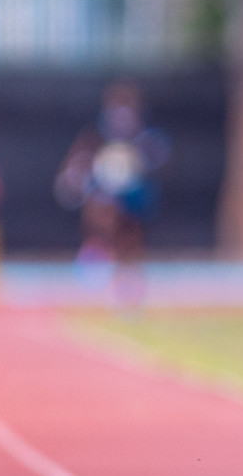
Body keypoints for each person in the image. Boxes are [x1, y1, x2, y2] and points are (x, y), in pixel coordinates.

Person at [55, 81, 169, 307]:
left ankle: (127, 282)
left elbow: (159, 165)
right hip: (101, 201)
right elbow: (74, 171)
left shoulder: (145, 140)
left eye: (128, 109)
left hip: (133, 202)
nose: (123, 116)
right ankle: (95, 262)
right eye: (118, 109)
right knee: (101, 213)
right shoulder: (93, 139)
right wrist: (78, 178)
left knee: (129, 233)